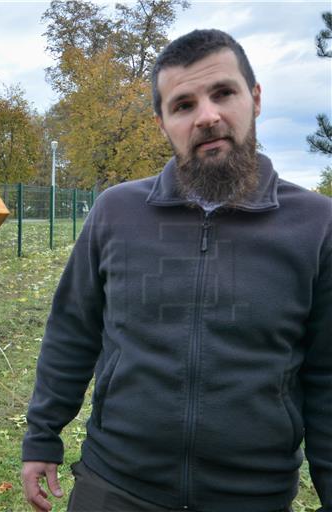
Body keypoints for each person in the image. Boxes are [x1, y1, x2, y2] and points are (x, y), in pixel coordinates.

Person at [21, 29, 331, 512]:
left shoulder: (315, 225)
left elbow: (327, 374)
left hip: (252, 497)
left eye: (223, 93)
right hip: (115, 486)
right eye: (183, 105)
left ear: (255, 98)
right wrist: (41, 437)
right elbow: (72, 330)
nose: (207, 116)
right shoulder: (116, 212)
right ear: (163, 122)